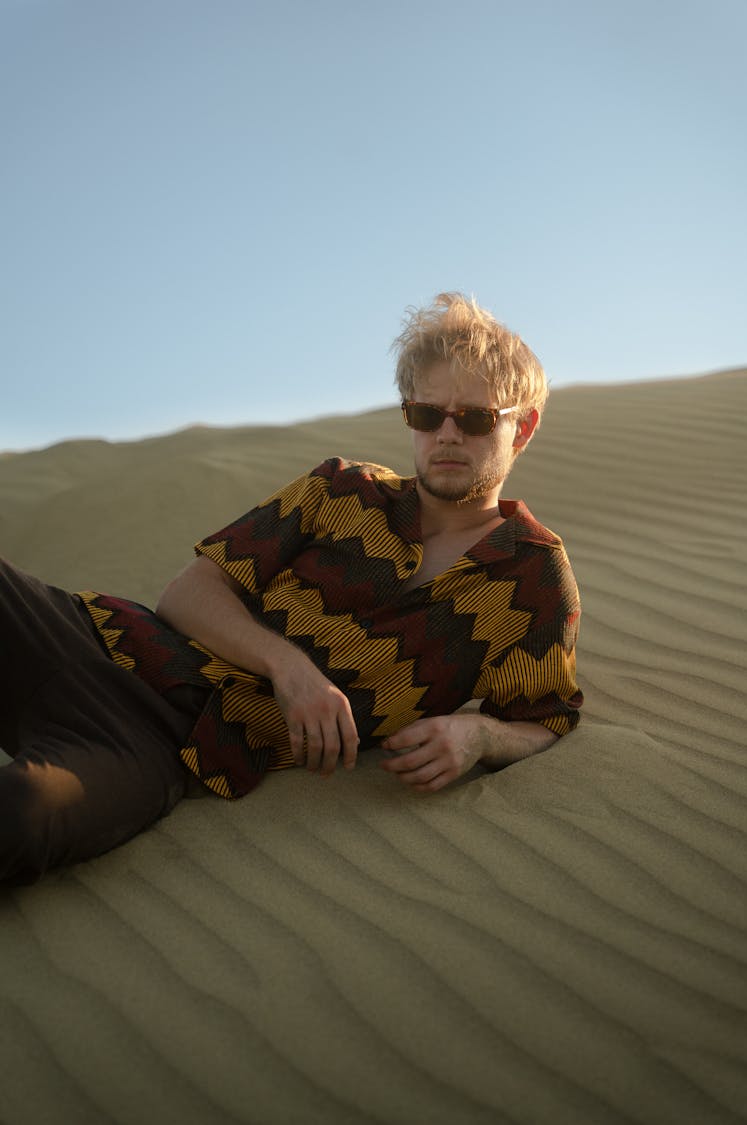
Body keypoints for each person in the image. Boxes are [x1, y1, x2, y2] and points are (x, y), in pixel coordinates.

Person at [0, 292, 582, 884]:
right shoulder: (339, 490)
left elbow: (546, 717)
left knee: (22, 816)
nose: (447, 435)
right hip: (99, 643)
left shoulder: (530, 575)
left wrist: (481, 733)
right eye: (428, 415)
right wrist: (292, 670)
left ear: (523, 427)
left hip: (165, 746)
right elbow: (188, 593)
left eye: (476, 418)